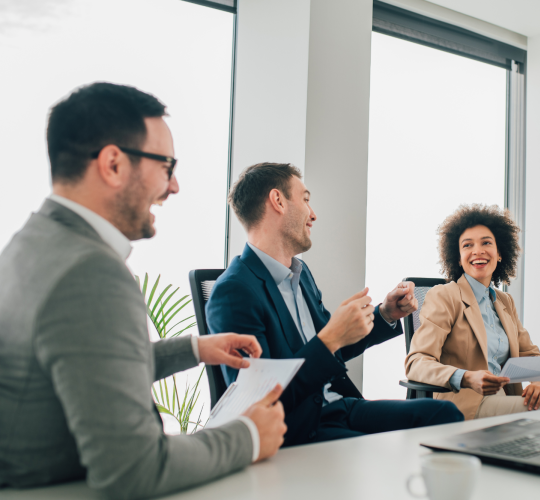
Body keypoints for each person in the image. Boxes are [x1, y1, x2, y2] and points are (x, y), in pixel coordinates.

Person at [0, 83, 287, 498]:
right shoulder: (90, 272)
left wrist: (193, 349)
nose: (174, 186)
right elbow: (134, 470)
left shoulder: (31, 245)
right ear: (113, 164)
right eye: (166, 165)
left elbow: (83, 367)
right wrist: (249, 435)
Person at [206, 162, 464, 446]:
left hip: (339, 406)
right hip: (298, 426)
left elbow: (334, 349)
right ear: (278, 201)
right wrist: (329, 338)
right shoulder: (233, 292)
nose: (313, 214)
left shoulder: (300, 276)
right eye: (305, 199)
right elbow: (260, 401)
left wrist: (386, 313)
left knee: (444, 413)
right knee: (374, 454)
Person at [405, 204, 540, 420]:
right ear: (458, 257)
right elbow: (416, 362)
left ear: (500, 253)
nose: (478, 251)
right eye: (467, 245)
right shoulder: (445, 296)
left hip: (505, 400)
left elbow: (530, 354)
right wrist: (466, 377)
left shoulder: (504, 301)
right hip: (465, 404)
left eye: (486, 243)